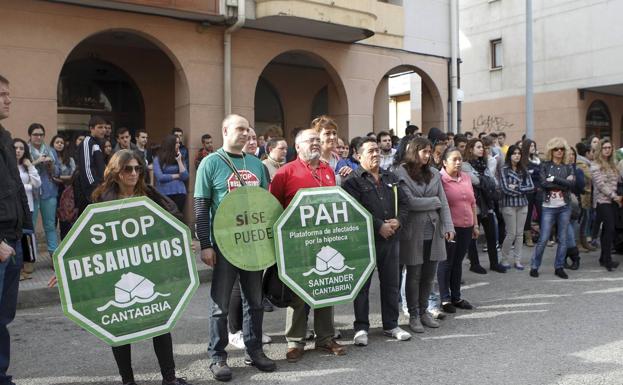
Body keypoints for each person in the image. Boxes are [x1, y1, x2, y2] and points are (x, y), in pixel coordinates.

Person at [50, 150, 192, 385]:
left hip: (149, 269)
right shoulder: (100, 199)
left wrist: (182, 242)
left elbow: (172, 220)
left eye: (138, 168)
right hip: (115, 273)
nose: (134, 173)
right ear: (116, 172)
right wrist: (61, 268)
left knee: (161, 321)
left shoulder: (149, 194)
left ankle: (169, 378)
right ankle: (128, 381)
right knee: (119, 327)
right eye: (128, 169)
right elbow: (82, 237)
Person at [194, 114, 276, 381]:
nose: (246, 134)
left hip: (253, 245)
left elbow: (265, 205)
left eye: (248, 131)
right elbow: (201, 207)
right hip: (224, 246)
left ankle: (255, 351)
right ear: (225, 130)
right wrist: (206, 245)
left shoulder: (256, 164)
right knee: (220, 305)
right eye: (240, 129)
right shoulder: (211, 163)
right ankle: (217, 356)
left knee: (254, 302)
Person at [270, 128, 346, 363]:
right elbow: (273, 209)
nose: (315, 143)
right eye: (310, 140)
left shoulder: (327, 170)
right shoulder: (284, 173)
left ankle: (325, 338)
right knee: (298, 292)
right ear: (298, 146)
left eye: (317, 140)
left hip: (325, 241)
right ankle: (295, 342)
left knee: (325, 286)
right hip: (297, 245)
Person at [342, 138, 411, 346]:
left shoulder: (391, 176)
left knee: (391, 283)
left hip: (390, 240)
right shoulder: (352, 181)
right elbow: (353, 210)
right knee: (362, 286)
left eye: (377, 151)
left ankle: (391, 325)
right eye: (371, 151)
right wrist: (378, 225)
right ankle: (361, 327)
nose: (375, 154)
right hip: (363, 241)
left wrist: (398, 221)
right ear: (358, 155)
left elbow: (406, 204)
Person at [394, 137, 454, 332]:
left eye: (430, 152)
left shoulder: (434, 173)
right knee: (413, 275)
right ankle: (413, 315)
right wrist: (433, 201)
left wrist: (448, 226)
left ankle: (424, 311)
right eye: (424, 152)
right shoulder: (401, 172)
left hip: (433, 230)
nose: (428, 156)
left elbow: (443, 202)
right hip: (412, 231)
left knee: (429, 275)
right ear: (414, 151)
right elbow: (409, 202)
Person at [0, 74, 33, 385]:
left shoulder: (6, 137)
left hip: (13, 240)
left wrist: (25, 232)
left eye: (8, 93)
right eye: (1, 94)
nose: (8, 99)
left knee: (3, 318)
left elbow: (16, 188)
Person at [439, 147, 478, 313]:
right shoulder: (440, 179)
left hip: (467, 226)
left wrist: (475, 224)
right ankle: (444, 299)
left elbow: (472, 202)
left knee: (458, 262)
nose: (458, 162)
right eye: (454, 159)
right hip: (450, 228)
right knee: (446, 262)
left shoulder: (466, 177)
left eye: (460, 159)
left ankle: (456, 297)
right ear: (444, 162)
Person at [530, 138, 575, 279]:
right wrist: (563, 182)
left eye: (562, 148)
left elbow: (571, 185)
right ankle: (534, 266)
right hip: (548, 206)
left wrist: (554, 179)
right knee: (543, 238)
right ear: (551, 151)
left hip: (564, 206)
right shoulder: (545, 165)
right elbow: (543, 184)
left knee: (562, 239)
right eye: (556, 149)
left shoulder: (568, 166)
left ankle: (559, 267)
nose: (559, 151)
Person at [463, 138, 506, 273]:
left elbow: (494, 183)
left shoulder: (484, 163)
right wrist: (485, 181)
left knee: (492, 235)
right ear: (471, 149)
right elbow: (475, 181)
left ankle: (494, 263)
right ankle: (474, 264)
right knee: (473, 237)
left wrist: (485, 181)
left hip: (487, 204)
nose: (482, 149)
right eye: (478, 147)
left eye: (482, 147)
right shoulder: (465, 165)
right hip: (474, 204)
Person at [28, 123, 60, 259]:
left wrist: (51, 165)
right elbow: (21, 170)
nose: (39, 137)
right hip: (31, 193)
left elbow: (58, 171)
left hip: (49, 192)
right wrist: (36, 161)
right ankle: (29, 259)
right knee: (29, 227)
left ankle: (54, 256)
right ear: (30, 135)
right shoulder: (24, 150)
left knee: (50, 225)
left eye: (41, 134)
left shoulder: (50, 150)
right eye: (35, 134)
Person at [499, 145, 534, 270]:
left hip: (523, 205)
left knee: (520, 235)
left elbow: (531, 187)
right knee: (511, 234)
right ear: (510, 155)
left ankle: (517, 260)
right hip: (508, 205)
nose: (517, 155)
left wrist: (517, 188)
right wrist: (521, 189)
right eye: (514, 153)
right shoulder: (504, 169)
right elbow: (505, 188)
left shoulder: (523, 169)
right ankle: (504, 259)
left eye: (519, 153)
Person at [590, 139, 623, 271]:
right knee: (609, 230)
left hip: (613, 202)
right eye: (604, 148)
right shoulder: (595, 165)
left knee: (607, 231)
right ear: (600, 149)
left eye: (609, 147)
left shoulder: (613, 164)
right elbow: (601, 185)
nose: (607, 150)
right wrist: (616, 197)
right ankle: (607, 260)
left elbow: (619, 180)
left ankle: (603, 258)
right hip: (602, 202)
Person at [13, 138, 40, 280]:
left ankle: (26, 267)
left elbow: (37, 183)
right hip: (12, 208)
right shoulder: (7, 165)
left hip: (28, 206)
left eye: (21, 148)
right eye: (15, 148)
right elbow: (11, 187)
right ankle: (16, 269)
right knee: (15, 237)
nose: (18, 151)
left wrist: (30, 166)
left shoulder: (25, 166)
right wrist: (27, 186)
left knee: (27, 236)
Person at [75, 115, 107, 214]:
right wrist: (94, 188)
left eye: (105, 127)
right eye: (100, 127)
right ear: (91, 128)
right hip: (90, 191)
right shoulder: (87, 142)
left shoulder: (97, 143)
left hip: (100, 188)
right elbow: (87, 168)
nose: (103, 130)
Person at [153, 135, 189, 213]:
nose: (179, 145)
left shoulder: (180, 158)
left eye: (179, 143)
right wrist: (177, 175)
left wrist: (179, 161)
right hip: (163, 194)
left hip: (179, 192)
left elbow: (185, 176)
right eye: (176, 143)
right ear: (170, 144)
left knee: (177, 217)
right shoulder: (158, 159)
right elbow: (160, 177)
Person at [50, 134, 76, 240]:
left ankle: (65, 244)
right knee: (53, 221)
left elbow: (73, 176)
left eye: (61, 143)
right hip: (52, 192)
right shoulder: (50, 159)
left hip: (65, 192)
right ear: (52, 144)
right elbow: (49, 175)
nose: (60, 144)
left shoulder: (69, 160)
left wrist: (60, 178)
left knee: (65, 221)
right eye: (57, 142)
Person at [312, 115, 351, 182]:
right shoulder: (312, 161)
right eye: (327, 133)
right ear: (317, 136)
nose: (332, 137)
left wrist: (350, 174)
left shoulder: (341, 161)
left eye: (334, 133)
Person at [564, 147, 585, 270]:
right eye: (569, 154)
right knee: (567, 232)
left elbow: (581, 187)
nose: (571, 156)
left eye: (573, 154)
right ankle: (574, 257)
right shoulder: (559, 170)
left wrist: (574, 173)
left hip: (575, 205)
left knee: (569, 231)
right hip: (561, 204)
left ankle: (568, 257)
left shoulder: (578, 170)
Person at [575, 142, 595, 252]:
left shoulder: (587, 163)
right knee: (581, 220)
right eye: (592, 152)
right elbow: (591, 176)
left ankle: (583, 241)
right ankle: (578, 243)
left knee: (585, 219)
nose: (593, 154)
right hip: (582, 196)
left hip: (586, 196)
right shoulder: (582, 164)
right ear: (587, 153)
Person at [522, 139, 541, 247]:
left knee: (542, 212)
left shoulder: (538, 160)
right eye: (530, 146)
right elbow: (526, 173)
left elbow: (540, 173)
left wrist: (534, 172)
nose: (533, 147)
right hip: (528, 190)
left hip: (538, 189)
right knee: (528, 214)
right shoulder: (524, 160)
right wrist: (534, 172)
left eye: (534, 145)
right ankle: (528, 237)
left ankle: (544, 236)